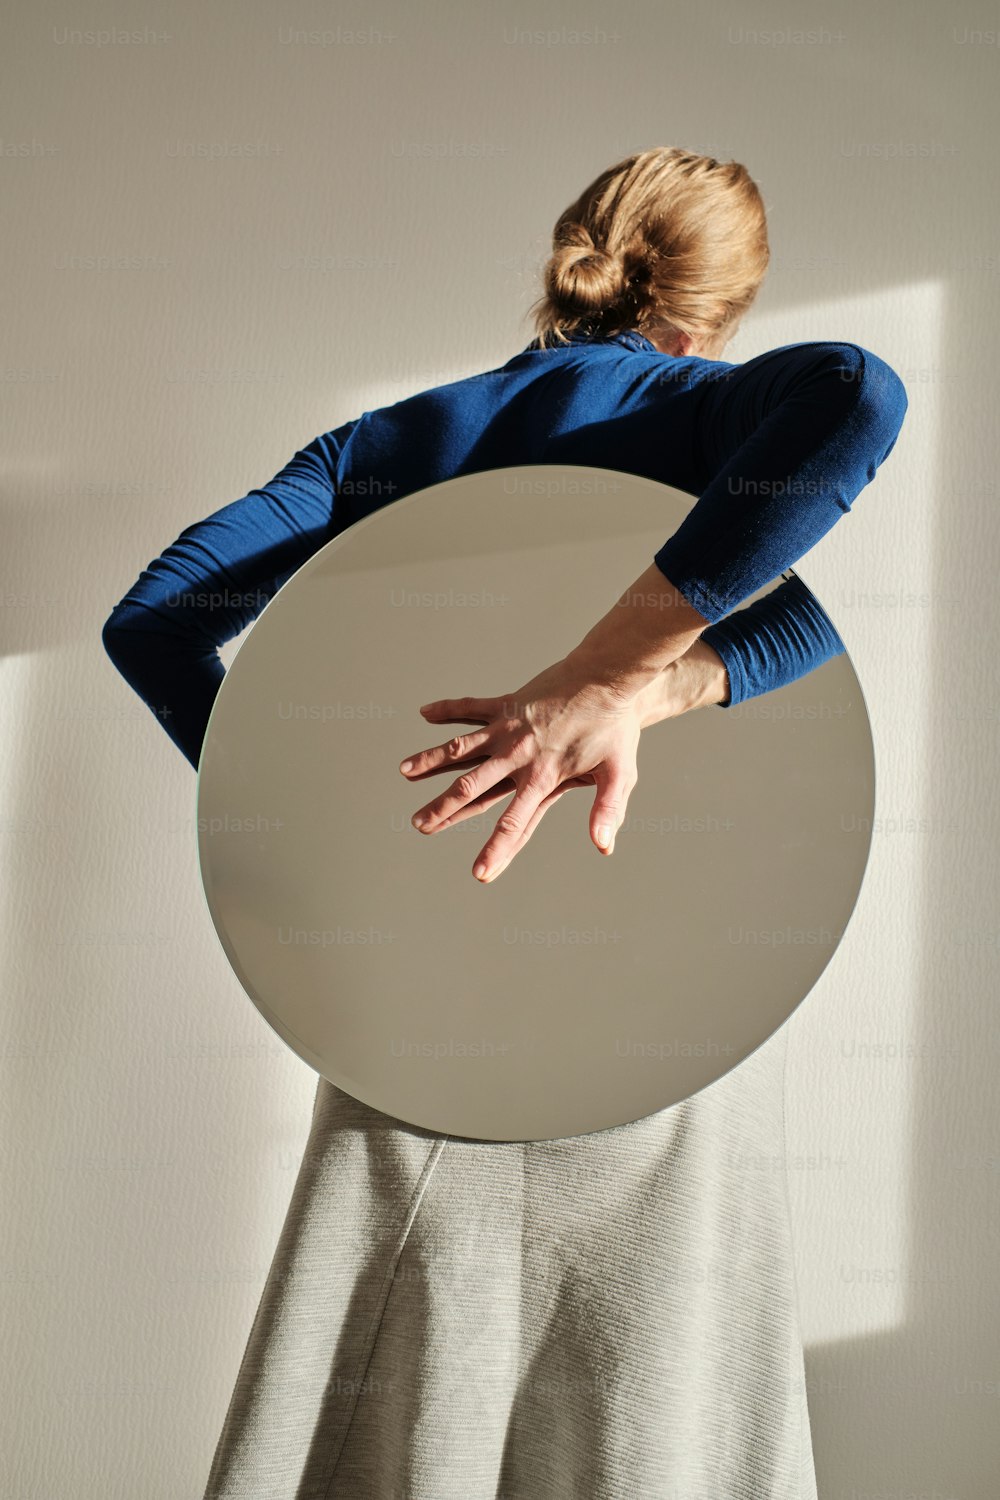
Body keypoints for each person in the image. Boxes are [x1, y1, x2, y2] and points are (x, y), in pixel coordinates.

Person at [102, 147, 907, 1498]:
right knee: (658, 1436)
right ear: (718, 308)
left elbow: (156, 623)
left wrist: (335, 830)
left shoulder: (389, 445)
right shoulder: (698, 413)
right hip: (667, 1004)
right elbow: (855, 402)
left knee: (394, 1437)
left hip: (423, 1014)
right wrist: (617, 680)